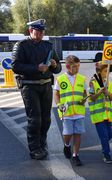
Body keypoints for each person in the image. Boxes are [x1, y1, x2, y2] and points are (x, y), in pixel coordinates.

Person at [11, 19, 62, 160]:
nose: (40, 34)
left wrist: (53, 65)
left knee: (46, 119)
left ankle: (41, 142)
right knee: (35, 119)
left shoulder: (48, 46)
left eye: (42, 32)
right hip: (29, 85)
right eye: (37, 31)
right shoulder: (21, 46)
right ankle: (35, 149)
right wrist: (36, 68)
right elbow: (15, 66)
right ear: (30, 31)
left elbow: (58, 68)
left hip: (46, 85)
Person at [54, 55, 87, 166]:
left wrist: (84, 100)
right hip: (66, 112)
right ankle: (67, 145)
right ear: (68, 66)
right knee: (68, 133)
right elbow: (56, 93)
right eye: (75, 66)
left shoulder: (82, 78)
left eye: (78, 66)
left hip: (79, 112)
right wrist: (58, 104)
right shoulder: (60, 79)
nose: (77, 68)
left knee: (78, 133)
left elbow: (85, 93)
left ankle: (75, 155)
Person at [88, 63, 112, 164]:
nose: (107, 73)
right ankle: (106, 154)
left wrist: (108, 93)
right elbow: (91, 97)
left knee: (110, 134)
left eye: (108, 71)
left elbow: (111, 98)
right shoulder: (93, 82)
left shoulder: (109, 83)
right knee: (104, 136)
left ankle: (104, 145)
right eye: (105, 71)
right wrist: (99, 93)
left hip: (108, 115)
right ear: (99, 72)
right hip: (98, 115)